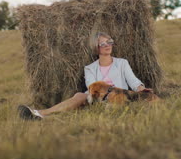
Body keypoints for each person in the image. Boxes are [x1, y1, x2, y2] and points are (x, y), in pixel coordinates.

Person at [18, 32, 152, 120]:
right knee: (80, 95)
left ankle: (41, 114)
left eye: (109, 41)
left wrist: (141, 89)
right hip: (96, 100)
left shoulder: (122, 63)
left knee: (82, 96)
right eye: (103, 43)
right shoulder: (89, 68)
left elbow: (133, 81)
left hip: (118, 98)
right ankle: (39, 114)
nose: (107, 45)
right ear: (96, 48)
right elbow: (92, 88)